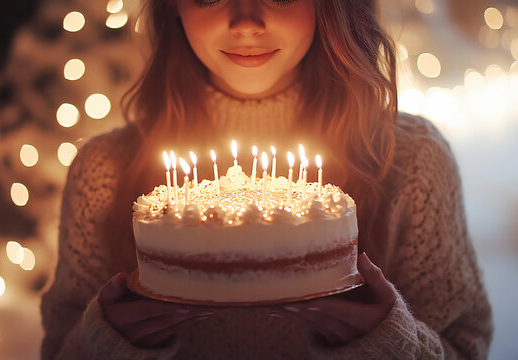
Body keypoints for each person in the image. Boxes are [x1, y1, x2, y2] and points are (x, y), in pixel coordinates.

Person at [40, 0, 493, 358]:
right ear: (172, 4)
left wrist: (388, 343)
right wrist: (103, 343)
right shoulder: (103, 171)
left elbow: (466, 347)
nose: (246, 22)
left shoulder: (411, 159)